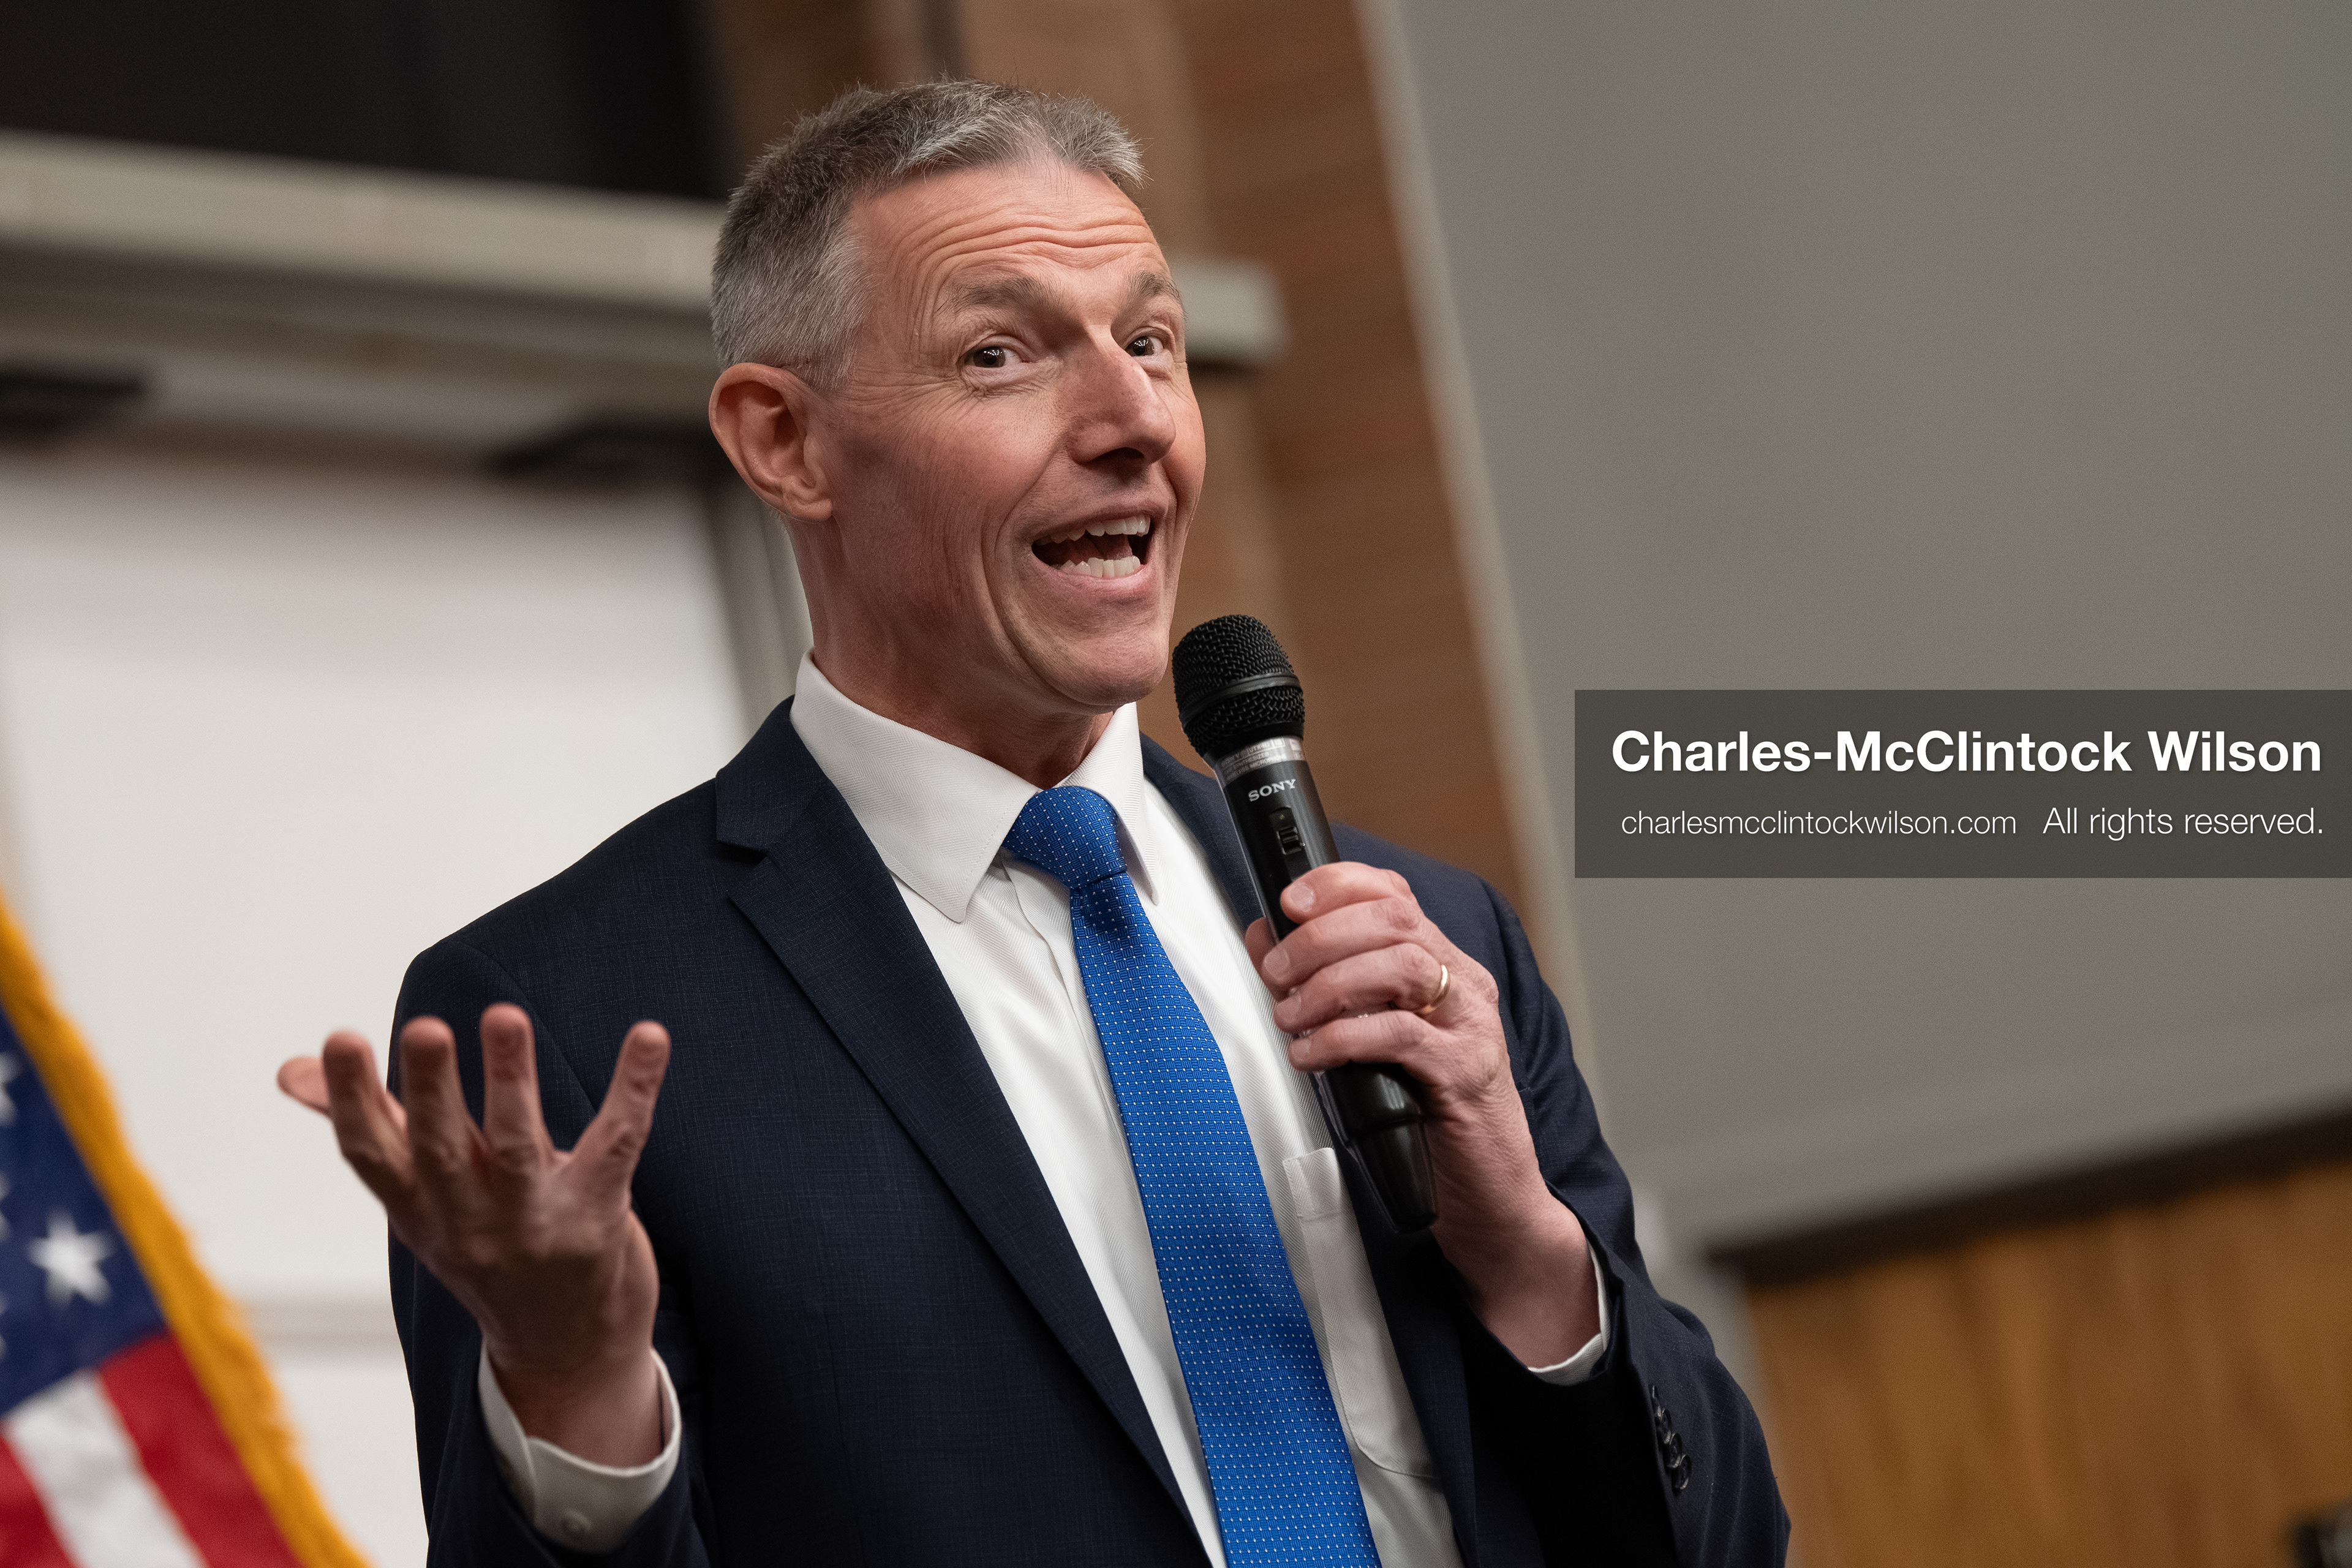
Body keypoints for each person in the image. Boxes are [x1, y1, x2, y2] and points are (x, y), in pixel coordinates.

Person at [279, 80, 1785, 1567]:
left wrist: (1524, 1247)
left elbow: (1717, 1539)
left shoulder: (1427, 935)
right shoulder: (571, 1020)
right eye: (1001, 353)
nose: (1134, 417)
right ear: (784, 442)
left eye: (1151, 341)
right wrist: (577, 1389)